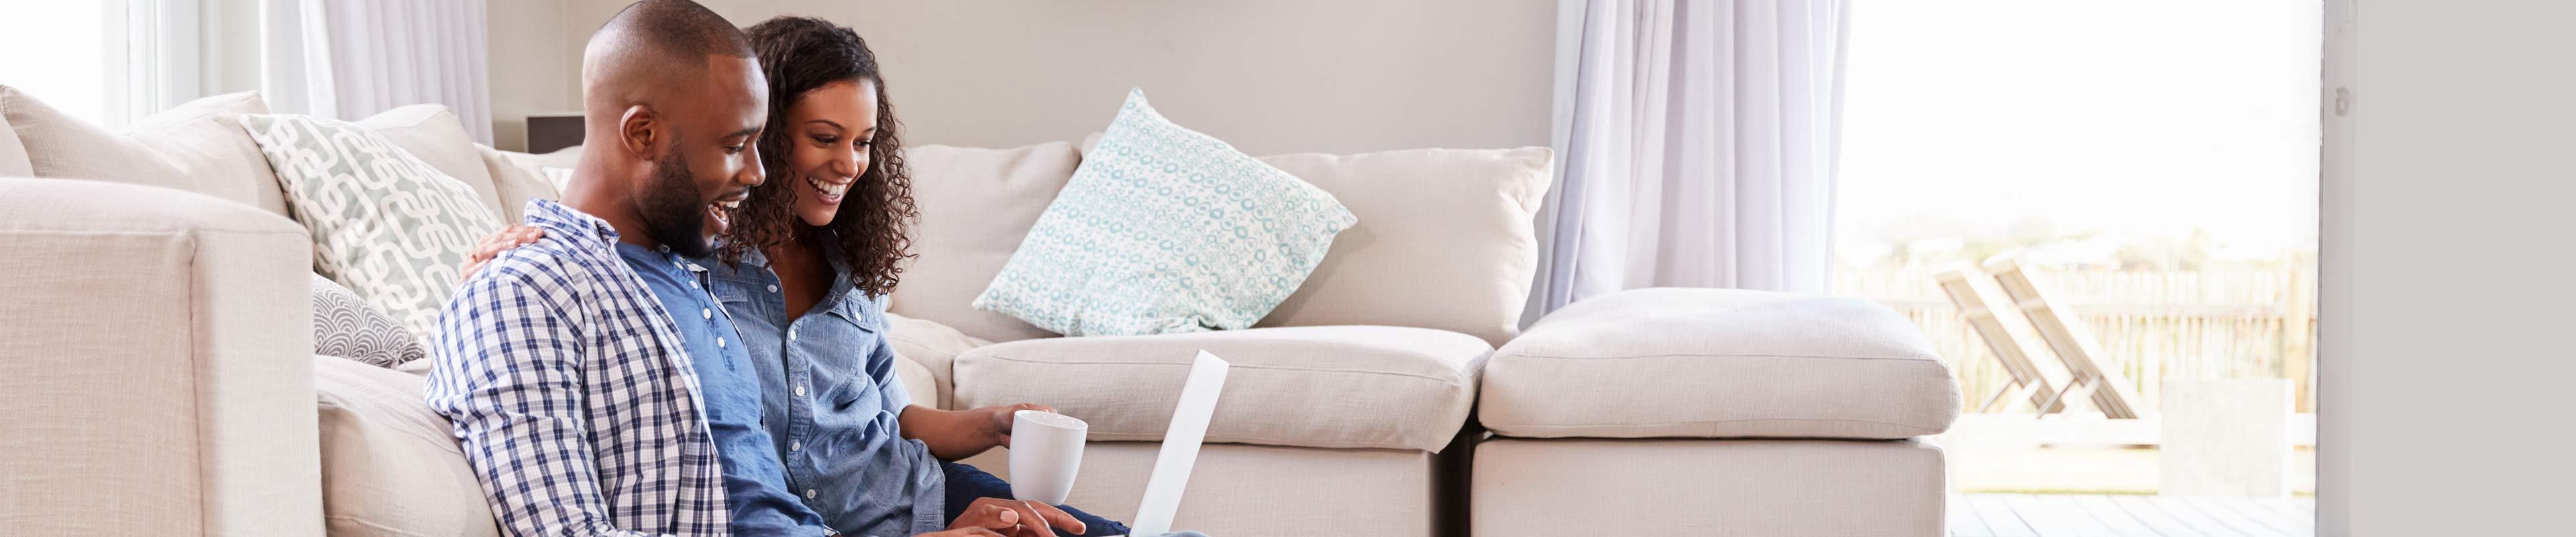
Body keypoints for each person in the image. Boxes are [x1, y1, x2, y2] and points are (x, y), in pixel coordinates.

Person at [461, 14, 1151, 537]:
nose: (849, 163)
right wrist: (513, 253)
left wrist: (996, 424)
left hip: (903, 494)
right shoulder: (664, 263)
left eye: (863, 143)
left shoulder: (795, 270)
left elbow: (882, 418)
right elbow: (603, 214)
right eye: (823, 138)